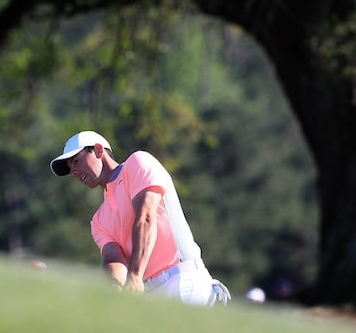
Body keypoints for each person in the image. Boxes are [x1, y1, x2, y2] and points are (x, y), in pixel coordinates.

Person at [50, 130, 230, 306]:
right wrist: (115, 287)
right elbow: (115, 259)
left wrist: (135, 275)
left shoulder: (137, 162)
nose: (73, 171)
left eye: (76, 161)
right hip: (151, 293)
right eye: (70, 167)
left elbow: (145, 218)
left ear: (98, 150)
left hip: (184, 280)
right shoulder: (98, 221)